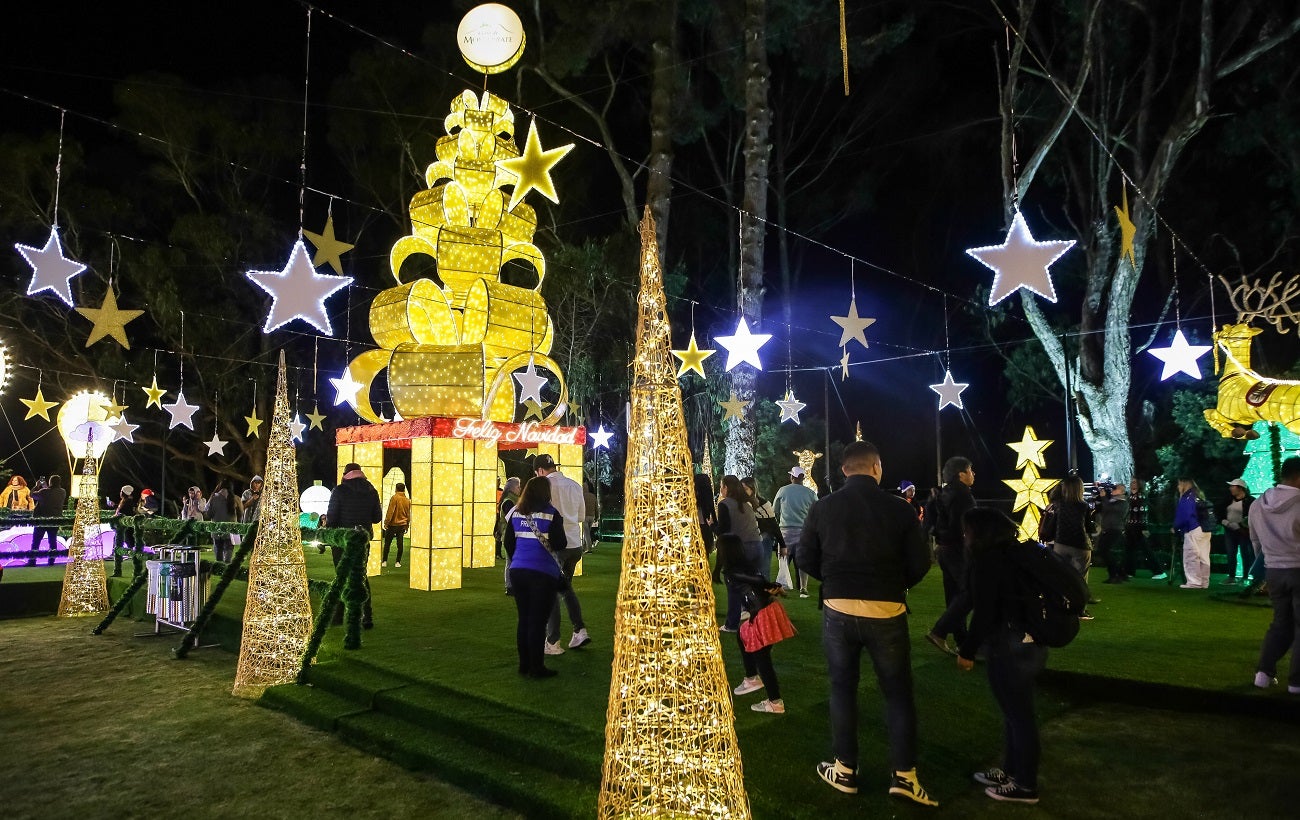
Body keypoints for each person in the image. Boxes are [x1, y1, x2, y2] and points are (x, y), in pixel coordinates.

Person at [798, 440, 937, 807]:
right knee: (897, 693)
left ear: (845, 470)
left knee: (842, 688)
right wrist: (894, 584)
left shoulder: (823, 507)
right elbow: (921, 562)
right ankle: (904, 775)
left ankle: (845, 768)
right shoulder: (900, 510)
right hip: (886, 609)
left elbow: (804, 556)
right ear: (877, 468)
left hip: (838, 608)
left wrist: (834, 581)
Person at [956, 507, 1048, 805]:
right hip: (1032, 643)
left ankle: (1025, 784)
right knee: (1015, 713)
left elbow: (983, 612)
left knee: (1019, 716)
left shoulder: (988, 561)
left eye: (968, 530)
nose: (965, 536)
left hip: (1009, 644)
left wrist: (967, 650)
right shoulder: (1017, 553)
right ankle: (1011, 772)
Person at [502, 476, 568, 679]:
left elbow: (508, 543)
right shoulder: (551, 514)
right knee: (538, 622)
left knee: (524, 619)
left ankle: (524, 664)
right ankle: (537, 667)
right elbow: (560, 543)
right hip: (542, 572)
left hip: (519, 571)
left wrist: (520, 559)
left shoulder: (516, 513)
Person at [719, 533, 787, 714]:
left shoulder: (732, 572)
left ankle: (775, 702)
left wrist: (767, 584)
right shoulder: (746, 566)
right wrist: (770, 585)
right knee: (742, 634)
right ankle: (751, 678)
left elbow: (756, 582)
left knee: (762, 657)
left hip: (763, 613)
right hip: (768, 609)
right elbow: (758, 582)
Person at [1248, 456, 1300, 695]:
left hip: (1274, 570)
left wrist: (1269, 560)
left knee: (1281, 623)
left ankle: (1263, 674)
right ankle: (1296, 683)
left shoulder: (1258, 504)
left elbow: (1255, 541)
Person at [534, 454, 591, 653]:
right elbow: (582, 516)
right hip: (575, 544)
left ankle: (552, 641)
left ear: (540, 471)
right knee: (565, 590)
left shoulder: (543, 487)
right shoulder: (575, 485)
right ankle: (579, 630)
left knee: (551, 594)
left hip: (555, 545)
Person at [926, 457, 977, 655]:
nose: (973, 474)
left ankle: (962, 641)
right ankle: (940, 632)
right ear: (961, 474)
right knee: (970, 593)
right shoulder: (963, 495)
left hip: (944, 549)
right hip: (957, 549)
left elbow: (932, 520)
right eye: (970, 470)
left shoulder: (944, 492)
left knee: (955, 595)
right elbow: (962, 527)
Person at [325, 463, 382, 629]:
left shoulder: (339, 491)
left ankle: (338, 616)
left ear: (345, 474)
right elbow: (377, 518)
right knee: (361, 577)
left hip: (342, 541)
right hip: (362, 540)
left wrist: (328, 532)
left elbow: (332, 518)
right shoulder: (371, 491)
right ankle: (367, 615)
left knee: (342, 576)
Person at [1041, 475, 1096, 618]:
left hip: (1061, 543)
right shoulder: (1084, 506)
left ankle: (1058, 606)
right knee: (1080, 579)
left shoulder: (1058, 504)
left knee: (1061, 576)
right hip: (1080, 545)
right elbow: (1089, 527)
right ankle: (1079, 610)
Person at [716, 474, 764, 633]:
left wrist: (711, 526)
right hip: (757, 546)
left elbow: (723, 530)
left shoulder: (725, 504)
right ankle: (759, 621)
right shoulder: (747, 503)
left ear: (726, 488)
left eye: (722, 486)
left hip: (739, 549)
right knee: (753, 585)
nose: (720, 489)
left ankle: (731, 624)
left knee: (734, 586)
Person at [774, 466, 818, 598]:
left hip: (785, 531)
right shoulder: (810, 493)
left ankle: (782, 586)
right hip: (803, 531)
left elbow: (775, 509)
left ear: (792, 477)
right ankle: (803, 588)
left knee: (783, 559)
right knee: (802, 561)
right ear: (803, 478)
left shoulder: (783, 490)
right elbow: (816, 511)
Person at [1173, 477, 1211, 589]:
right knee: (1204, 557)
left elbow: (1184, 516)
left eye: (1179, 484)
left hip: (1193, 528)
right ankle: (1204, 582)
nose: (1178, 487)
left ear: (1185, 484)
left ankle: (1194, 582)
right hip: (1205, 529)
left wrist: (1176, 527)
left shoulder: (1187, 497)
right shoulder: (1198, 495)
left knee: (1191, 556)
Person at [742, 476, 783, 578]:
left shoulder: (764, 504)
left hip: (763, 539)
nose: (743, 492)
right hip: (747, 541)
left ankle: (764, 592)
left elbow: (773, 524)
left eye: (745, 489)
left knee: (763, 571)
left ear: (753, 489)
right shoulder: (741, 504)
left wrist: (783, 544)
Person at [1125, 479, 1166, 580]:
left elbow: (1143, 514)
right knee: (1130, 550)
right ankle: (1130, 571)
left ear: (1139, 485)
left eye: (1135, 482)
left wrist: (1144, 528)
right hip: (1131, 527)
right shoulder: (1130, 497)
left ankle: (1159, 571)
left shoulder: (1141, 497)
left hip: (1139, 527)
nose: (1132, 484)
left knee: (1146, 550)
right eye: (1132, 482)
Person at [1220, 478, 1255, 585]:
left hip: (1243, 531)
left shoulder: (1250, 501)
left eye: (1233, 486)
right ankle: (1231, 576)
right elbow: (1219, 511)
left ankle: (1245, 576)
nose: (1230, 488)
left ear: (1240, 488)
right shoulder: (1228, 499)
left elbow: (1251, 517)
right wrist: (1224, 521)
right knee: (1231, 553)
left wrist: (1240, 525)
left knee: (1246, 553)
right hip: (1230, 531)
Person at [1097, 483, 1130, 583]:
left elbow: (1110, 509)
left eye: (1116, 489)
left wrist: (1103, 498)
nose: (1113, 490)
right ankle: (1120, 573)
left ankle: (1115, 575)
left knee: (1105, 551)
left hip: (1115, 529)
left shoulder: (1123, 503)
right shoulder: (1111, 501)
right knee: (1104, 551)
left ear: (1122, 491)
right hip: (1108, 529)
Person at [30, 475, 66, 565]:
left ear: (50, 482)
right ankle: (51, 560)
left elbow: (32, 494)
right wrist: (45, 487)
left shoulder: (44, 492)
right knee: (52, 540)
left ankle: (32, 560)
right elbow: (49, 494)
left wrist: (37, 485)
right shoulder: (62, 492)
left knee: (36, 541)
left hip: (42, 520)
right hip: (55, 520)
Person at [382, 482, 411, 569]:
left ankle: (384, 561)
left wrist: (386, 522)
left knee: (387, 543)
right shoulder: (407, 500)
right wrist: (407, 525)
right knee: (400, 544)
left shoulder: (394, 498)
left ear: (396, 489)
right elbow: (408, 514)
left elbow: (391, 511)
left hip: (392, 524)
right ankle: (398, 562)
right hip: (402, 525)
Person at [205, 481, 236, 563]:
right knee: (229, 548)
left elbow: (209, 514)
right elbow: (241, 513)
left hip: (216, 529)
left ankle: (219, 568)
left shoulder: (214, 498)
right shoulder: (235, 498)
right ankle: (227, 566)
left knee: (218, 548)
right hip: (230, 529)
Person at [496, 477, 521, 560]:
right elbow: (513, 519)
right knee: (511, 562)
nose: (520, 489)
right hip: (509, 535)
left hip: (511, 534)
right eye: (518, 487)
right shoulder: (508, 502)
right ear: (512, 489)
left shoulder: (513, 500)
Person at [583, 480, 599, 553]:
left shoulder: (582, 496)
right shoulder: (593, 496)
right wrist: (597, 516)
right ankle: (584, 547)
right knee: (587, 532)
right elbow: (596, 508)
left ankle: (589, 549)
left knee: (586, 533)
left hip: (584, 516)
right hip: (592, 516)